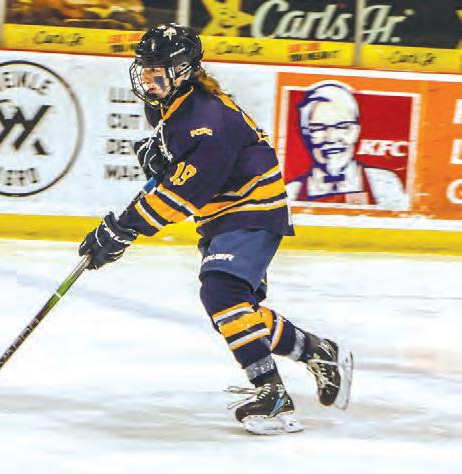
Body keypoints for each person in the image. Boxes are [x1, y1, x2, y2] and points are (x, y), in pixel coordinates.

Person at [78, 23, 353, 435]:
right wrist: (164, 162)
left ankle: (273, 396)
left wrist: (123, 229)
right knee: (237, 311)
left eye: (156, 70)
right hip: (224, 217)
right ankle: (318, 352)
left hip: (251, 211)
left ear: (183, 70)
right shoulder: (171, 105)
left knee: (221, 293)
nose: (147, 79)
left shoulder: (206, 121)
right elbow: (180, 172)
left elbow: (181, 195)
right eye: (144, 69)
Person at [287, 81, 408, 209]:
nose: (331, 138)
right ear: (305, 134)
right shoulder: (290, 193)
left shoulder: (384, 184)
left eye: (342, 126)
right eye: (318, 128)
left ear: (356, 131)